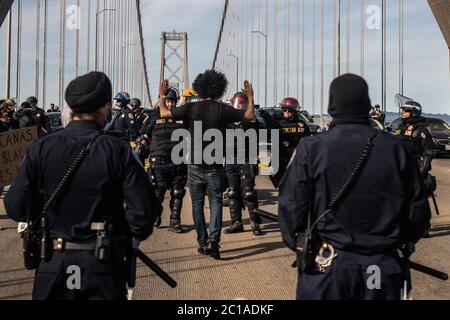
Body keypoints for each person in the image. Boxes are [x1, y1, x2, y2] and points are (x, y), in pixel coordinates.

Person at [4, 71, 162, 300]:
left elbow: (15, 208)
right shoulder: (117, 150)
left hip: (53, 264)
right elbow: (145, 213)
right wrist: (119, 237)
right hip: (103, 267)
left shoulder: (42, 148)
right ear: (105, 107)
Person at [279, 74, 430, 300]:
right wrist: (395, 245)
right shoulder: (396, 149)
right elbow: (417, 214)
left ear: (331, 106)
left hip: (327, 267)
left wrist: (303, 247)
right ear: (367, 106)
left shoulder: (311, 149)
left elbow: (291, 209)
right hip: (380, 267)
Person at [158, 70, 256, 259]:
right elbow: (250, 116)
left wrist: (162, 95)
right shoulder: (223, 109)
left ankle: (202, 243)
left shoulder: (191, 108)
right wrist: (249, 96)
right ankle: (213, 242)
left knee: (196, 205)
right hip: (215, 166)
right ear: (219, 89)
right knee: (216, 203)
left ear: (199, 88)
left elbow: (163, 112)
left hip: (194, 164)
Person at [138, 88, 187, 233]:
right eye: (168, 101)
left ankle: (175, 222)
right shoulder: (153, 117)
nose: (170, 104)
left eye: (172, 101)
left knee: (178, 193)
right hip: (158, 162)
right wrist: (139, 152)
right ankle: (156, 215)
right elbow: (145, 137)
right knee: (158, 193)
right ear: (163, 102)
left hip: (178, 161)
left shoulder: (182, 117)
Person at [224, 91, 263, 236]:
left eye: (242, 103)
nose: (239, 106)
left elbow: (255, 120)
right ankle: (237, 223)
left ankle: (255, 223)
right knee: (233, 192)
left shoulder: (251, 119)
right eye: (237, 103)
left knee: (249, 193)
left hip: (247, 159)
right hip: (230, 159)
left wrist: (251, 98)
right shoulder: (227, 121)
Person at [260, 97, 310, 188]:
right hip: (279, 151)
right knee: (275, 175)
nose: (287, 112)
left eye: (289, 111)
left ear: (294, 112)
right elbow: (268, 132)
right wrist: (266, 117)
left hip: (294, 152)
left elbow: (307, 140)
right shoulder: (277, 122)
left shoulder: (301, 124)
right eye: (285, 110)